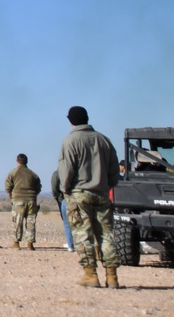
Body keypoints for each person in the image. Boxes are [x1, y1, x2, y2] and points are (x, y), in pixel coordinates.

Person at [58, 105, 121, 289]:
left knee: (82, 234)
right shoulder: (104, 140)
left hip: (79, 194)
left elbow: (66, 170)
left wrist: (66, 189)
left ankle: (90, 274)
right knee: (106, 234)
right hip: (102, 193)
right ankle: (112, 276)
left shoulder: (70, 141)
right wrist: (107, 185)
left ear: (70, 121)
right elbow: (114, 170)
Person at [5, 153, 42, 250]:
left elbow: (8, 187)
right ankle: (30, 244)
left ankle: (16, 243)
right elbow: (38, 188)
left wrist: (11, 198)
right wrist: (32, 196)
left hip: (18, 201)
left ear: (17, 161)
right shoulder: (33, 174)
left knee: (18, 222)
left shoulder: (13, 173)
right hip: (31, 201)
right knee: (31, 222)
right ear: (26, 162)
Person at [50, 169, 75, 252]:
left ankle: (70, 245)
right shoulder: (78, 171)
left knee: (67, 223)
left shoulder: (58, 173)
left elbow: (54, 187)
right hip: (79, 199)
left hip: (65, 199)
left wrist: (58, 197)